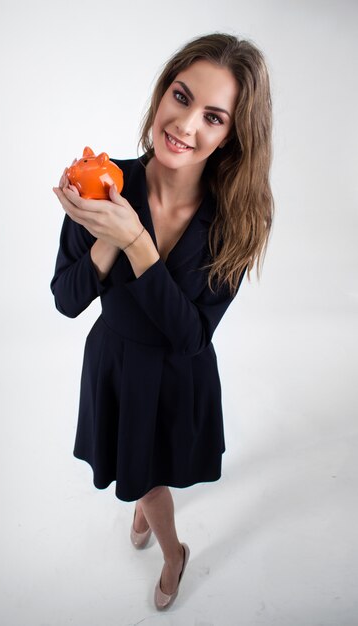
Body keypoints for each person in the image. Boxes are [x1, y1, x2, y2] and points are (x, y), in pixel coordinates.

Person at [50, 32, 274, 611]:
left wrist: (135, 243)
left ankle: (173, 552)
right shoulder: (103, 183)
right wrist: (104, 241)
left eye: (213, 117)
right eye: (181, 96)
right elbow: (66, 300)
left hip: (177, 374)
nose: (186, 124)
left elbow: (192, 337)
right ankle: (147, 504)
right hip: (116, 364)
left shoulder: (237, 222)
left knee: (149, 476)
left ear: (231, 137)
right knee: (142, 470)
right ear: (160, 94)